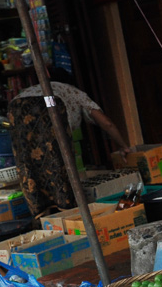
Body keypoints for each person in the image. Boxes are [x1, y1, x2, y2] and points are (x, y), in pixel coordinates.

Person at [9, 67, 130, 215]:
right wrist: (123, 146)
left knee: (30, 170)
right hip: (50, 129)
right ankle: (68, 214)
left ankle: (43, 217)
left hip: (20, 123)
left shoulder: (26, 92)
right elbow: (106, 123)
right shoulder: (73, 92)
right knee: (59, 168)